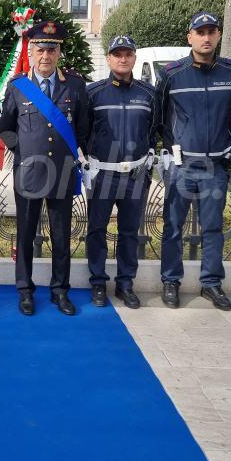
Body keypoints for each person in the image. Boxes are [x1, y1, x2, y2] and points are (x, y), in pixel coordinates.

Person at [0, 21, 90, 316]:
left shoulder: (74, 86)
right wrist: (24, 153)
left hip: (62, 172)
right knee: (25, 234)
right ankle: (25, 290)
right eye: (39, 49)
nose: (45, 56)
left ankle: (60, 291)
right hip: (29, 173)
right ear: (31, 51)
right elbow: (7, 130)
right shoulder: (18, 87)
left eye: (51, 49)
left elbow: (84, 128)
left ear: (59, 52)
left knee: (61, 235)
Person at [156, 11, 231, 311]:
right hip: (182, 166)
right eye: (200, 32)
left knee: (213, 227)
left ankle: (211, 284)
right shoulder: (172, 74)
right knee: (173, 226)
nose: (206, 38)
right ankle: (170, 281)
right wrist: (171, 147)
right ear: (189, 37)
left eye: (211, 32)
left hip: (216, 167)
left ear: (218, 35)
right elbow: (160, 116)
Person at [85, 35, 158, 309]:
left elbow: (154, 130)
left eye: (127, 54)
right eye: (117, 54)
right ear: (109, 59)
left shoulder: (148, 94)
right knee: (96, 230)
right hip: (103, 173)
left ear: (134, 58)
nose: (123, 59)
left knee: (129, 232)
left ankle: (125, 284)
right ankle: (98, 283)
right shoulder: (93, 93)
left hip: (136, 176)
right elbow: (84, 131)